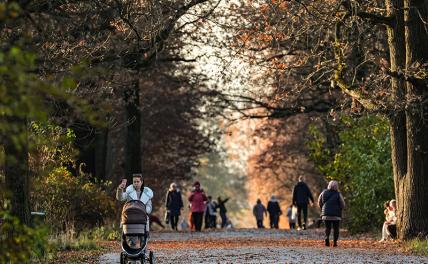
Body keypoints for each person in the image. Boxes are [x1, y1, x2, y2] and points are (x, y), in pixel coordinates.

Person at [318, 180, 346, 247]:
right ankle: (335, 242)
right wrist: (340, 209)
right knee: (336, 228)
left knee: (327, 228)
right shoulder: (338, 194)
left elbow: (319, 202)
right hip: (336, 215)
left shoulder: (323, 192)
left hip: (326, 215)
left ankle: (327, 237)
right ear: (336, 186)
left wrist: (323, 209)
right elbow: (343, 204)